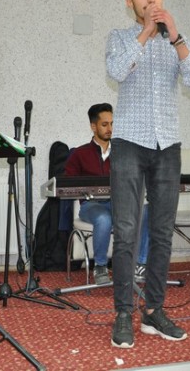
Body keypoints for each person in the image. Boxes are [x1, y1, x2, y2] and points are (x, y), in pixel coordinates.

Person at [105, 0, 190, 348]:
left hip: (168, 146)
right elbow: (117, 71)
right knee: (126, 231)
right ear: (130, 1)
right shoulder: (120, 38)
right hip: (129, 143)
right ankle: (122, 314)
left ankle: (153, 311)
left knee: (162, 232)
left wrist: (175, 36)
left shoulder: (176, 40)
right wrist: (147, 32)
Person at [64, 103, 150, 285]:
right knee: (104, 218)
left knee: (147, 211)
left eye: (112, 123)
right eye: (104, 124)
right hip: (91, 205)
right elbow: (68, 183)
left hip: (119, 203)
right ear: (93, 126)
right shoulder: (79, 154)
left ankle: (140, 264)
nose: (110, 128)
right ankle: (101, 266)